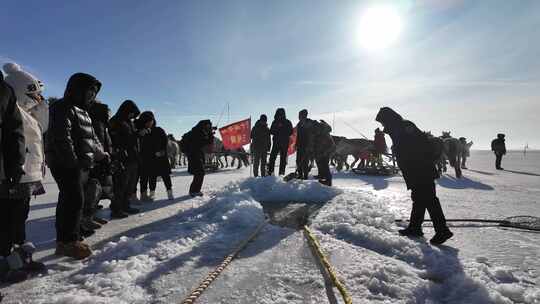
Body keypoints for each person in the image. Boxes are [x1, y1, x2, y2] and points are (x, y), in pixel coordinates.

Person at [46, 73, 107, 259]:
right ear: (78, 89)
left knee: (73, 200)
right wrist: (71, 162)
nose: (92, 95)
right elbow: (61, 137)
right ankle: (67, 242)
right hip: (65, 163)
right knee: (73, 199)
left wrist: (101, 155)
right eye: (90, 91)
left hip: (80, 164)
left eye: (94, 93)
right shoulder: (62, 107)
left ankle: (69, 238)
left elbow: (91, 138)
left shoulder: (83, 111)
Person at [376, 107, 453, 245]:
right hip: (416, 171)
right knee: (418, 199)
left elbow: (417, 148)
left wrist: (399, 150)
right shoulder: (399, 128)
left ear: (389, 119)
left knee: (430, 200)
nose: (383, 126)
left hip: (421, 170)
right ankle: (415, 227)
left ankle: (442, 230)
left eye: (383, 122)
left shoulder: (405, 127)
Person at [0, 69, 30, 283]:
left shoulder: (4, 91)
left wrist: (15, 164)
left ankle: (10, 261)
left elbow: (14, 132)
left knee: (12, 219)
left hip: (9, 172)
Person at [109, 100, 141, 218]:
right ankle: (116, 209)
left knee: (130, 185)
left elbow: (131, 138)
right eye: (131, 113)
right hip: (122, 158)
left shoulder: (129, 122)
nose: (132, 116)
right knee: (120, 185)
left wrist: (137, 134)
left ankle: (125, 205)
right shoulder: (115, 121)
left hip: (132, 157)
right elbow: (117, 139)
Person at [84, 100, 114, 227]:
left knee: (97, 189)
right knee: (91, 189)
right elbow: (94, 142)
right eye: (108, 112)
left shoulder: (101, 124)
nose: (109, 115)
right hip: (95, 161)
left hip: (100, 159)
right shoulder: (96, 123)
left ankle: (90, 215)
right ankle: (86, 218)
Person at [137, 111, 174, 201]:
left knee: (166, 176)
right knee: (151, 177)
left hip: (161, 158)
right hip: (149, 159)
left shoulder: (159, 130)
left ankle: (170, 193)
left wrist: (162, 152)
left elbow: (166, 143)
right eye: (147, 121)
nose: (150, 123)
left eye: (151, 120)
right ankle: (152, 194)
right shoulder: (141, 132)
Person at [181, 120, 215, 197]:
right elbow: (205, 142)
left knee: (198, 173)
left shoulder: (198, 131)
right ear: (203, 126)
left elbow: (206, 142)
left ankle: (194, 190)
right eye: (208, 126)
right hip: (194, 155)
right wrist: (210, 134)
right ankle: (194, 191)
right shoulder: (197, 133)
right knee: (200, 172)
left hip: (196, 154)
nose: (209, 127)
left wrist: (210, 134)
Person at [267, 108, 293, 176]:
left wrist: (283, 128)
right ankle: (270, 173)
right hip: (276, 143)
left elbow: (291, 132)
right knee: (272, 158)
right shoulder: (275, 122)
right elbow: (271, 131)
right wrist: (277, 128)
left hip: (284, 143)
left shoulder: (287, 122)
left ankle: (281, 174)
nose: (280, 115)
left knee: (283, 159)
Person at [312, 120, 335, 186]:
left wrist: (325, 152)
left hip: (326, 151)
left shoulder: (325, 133)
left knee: (325, 165)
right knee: (319, 163)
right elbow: (316, 141)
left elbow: (331, 145)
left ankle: (328, 181)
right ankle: (321, 176)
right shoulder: (318, 132)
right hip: (319, 151)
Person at [296, 109, 315, 179]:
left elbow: (311, 135)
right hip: (300, 145)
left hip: (307, 146)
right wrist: (296, 144)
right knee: (298, 161)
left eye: (300, 115)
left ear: (304, 116)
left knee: (305, 161)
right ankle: (300, 175)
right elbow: (298, 136)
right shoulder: (299, 124)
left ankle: (305, 176)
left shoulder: (309, 123)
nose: (299, 117)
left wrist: (309, 145)